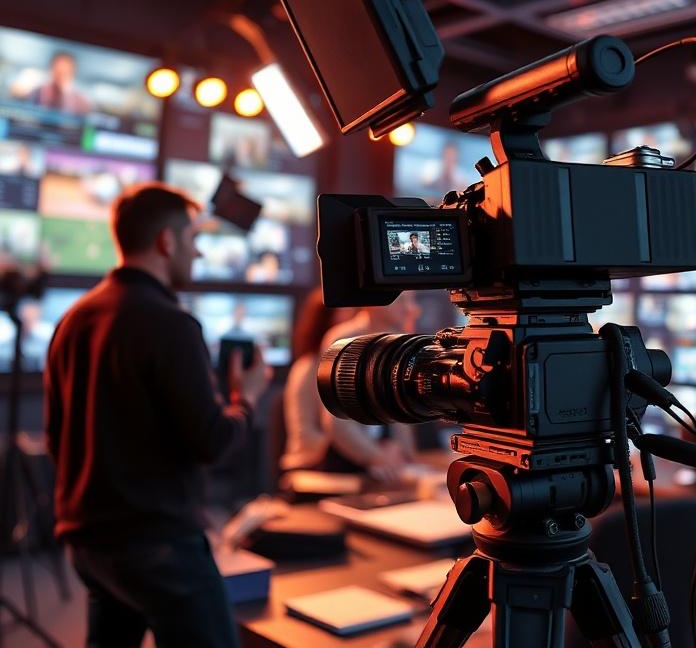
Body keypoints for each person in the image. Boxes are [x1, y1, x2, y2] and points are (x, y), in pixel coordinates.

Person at [44, 182, 271, 648]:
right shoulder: (170, 323)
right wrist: (245, 399)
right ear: (168, 241)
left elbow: (55, 437)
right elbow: (211, 441)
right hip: (159, 545)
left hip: (89, 543)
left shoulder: (75, 318)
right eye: (193, 240)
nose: (199, 253)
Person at [281, 289, 422, 483]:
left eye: (411, 301)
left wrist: (402, 455)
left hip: (360, 462)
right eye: (402, 301)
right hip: (324, 467)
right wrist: (377, 455)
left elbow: (397, 412)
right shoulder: (342, 342)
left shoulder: (396, 342)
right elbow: (336, 424)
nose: (412, 309)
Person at [29, 51, 92, 115]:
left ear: (72, 73)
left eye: (65, 73)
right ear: (51, 69)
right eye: (58, 72)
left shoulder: (81, 102)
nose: (60, 77)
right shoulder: (37, 92)